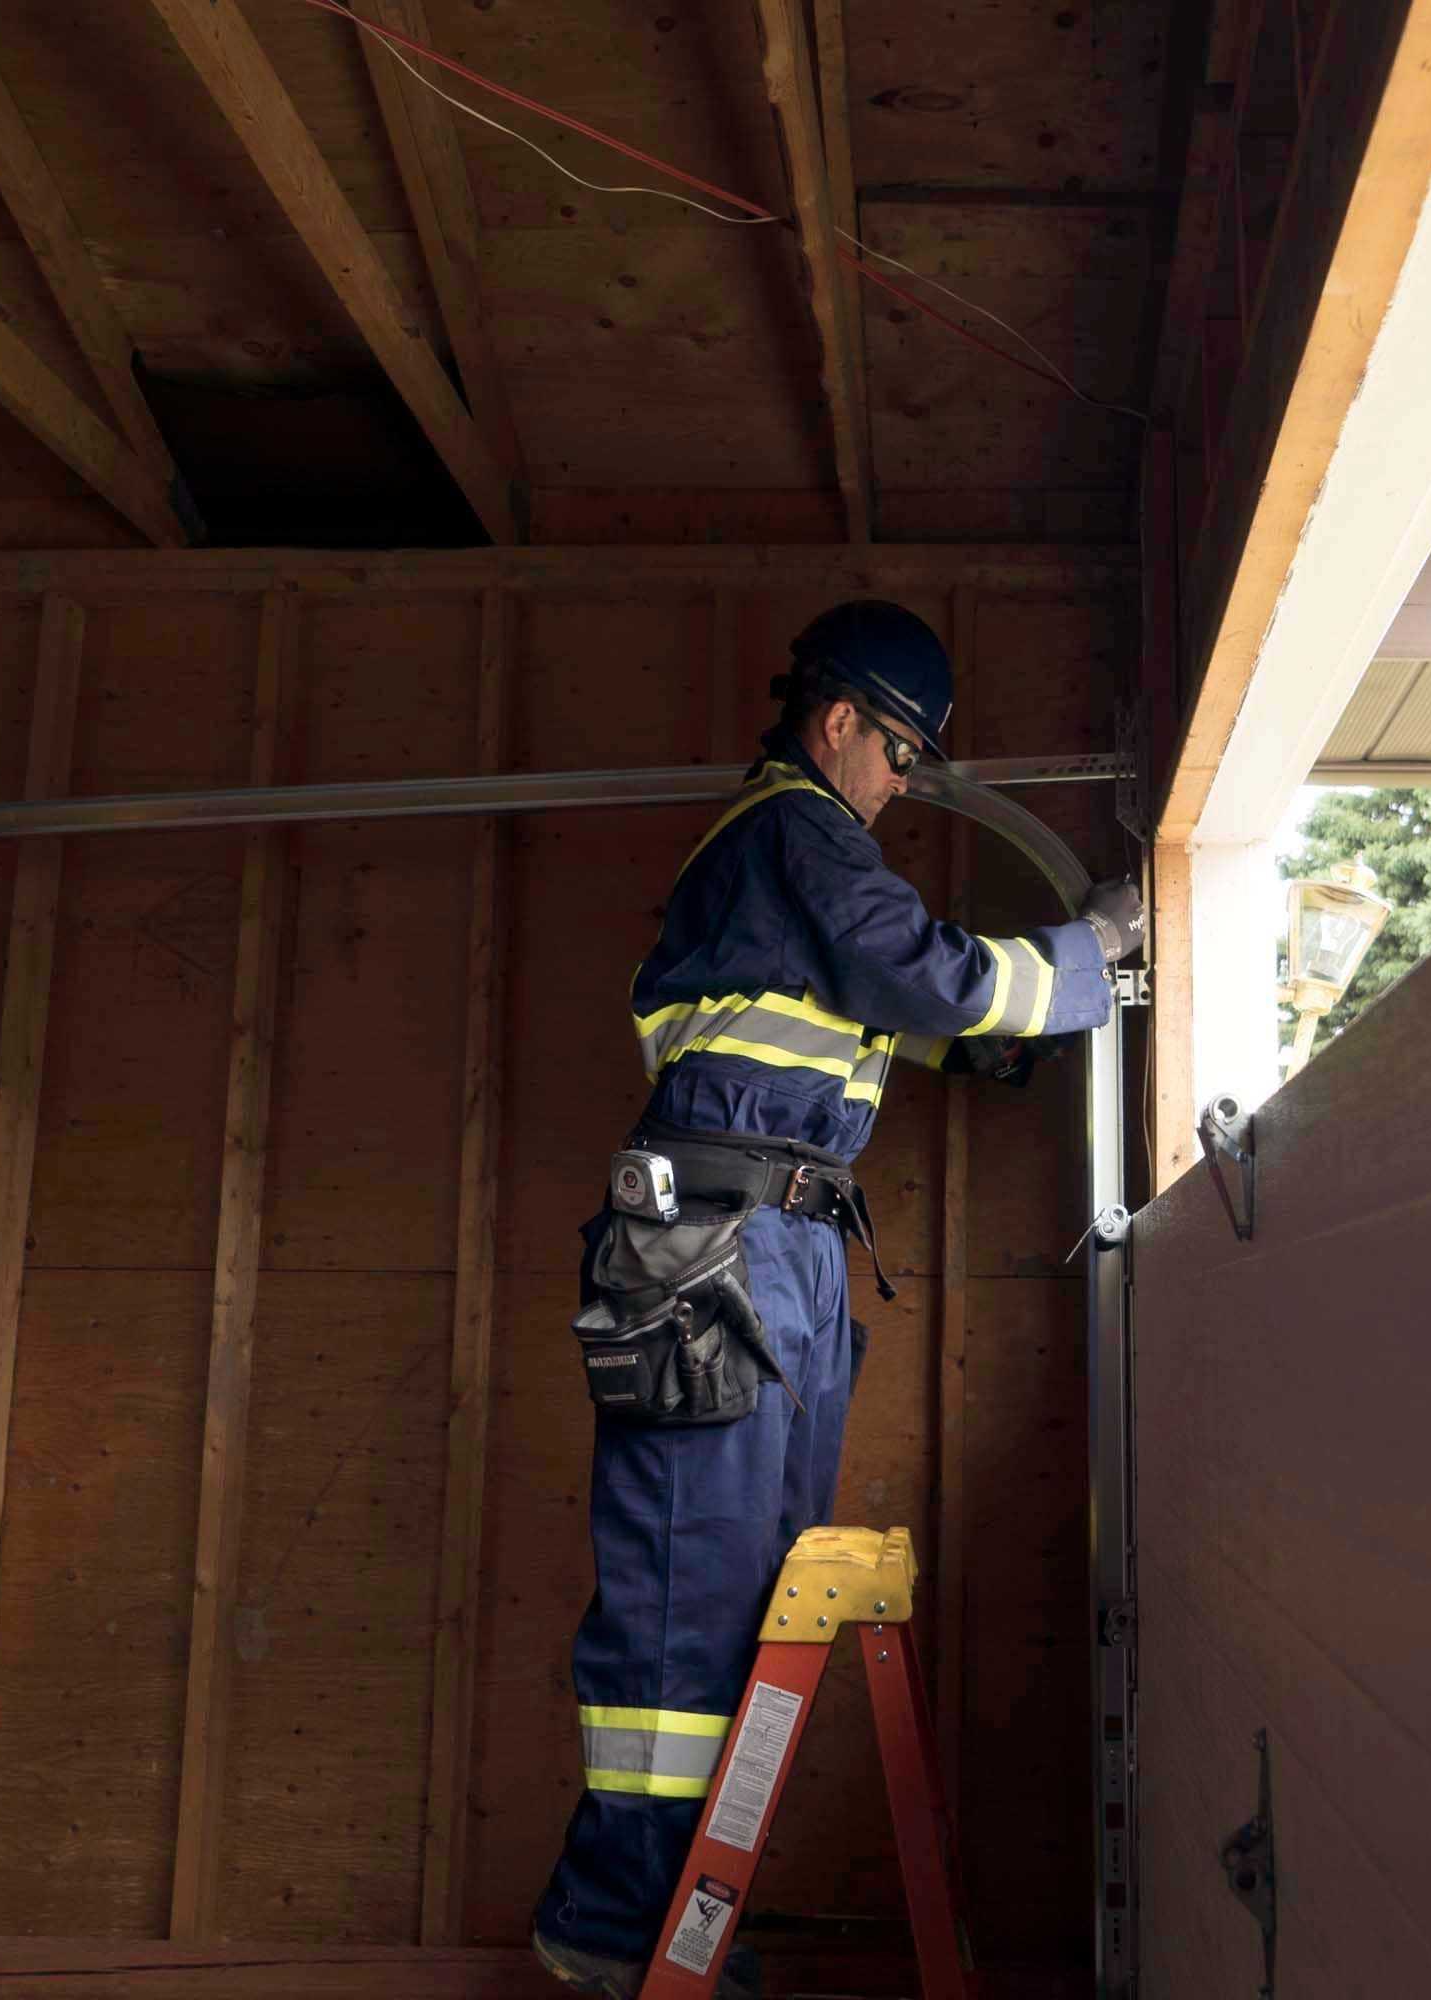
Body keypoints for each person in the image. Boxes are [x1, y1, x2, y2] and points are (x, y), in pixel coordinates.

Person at [531, 600, 1143, 1994]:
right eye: (900, 752)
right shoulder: (794, 827)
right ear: (837, 723)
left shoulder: (793, 871)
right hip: (721, 1246)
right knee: (692, 1591)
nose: (904, 782)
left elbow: (880, 1015)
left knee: (748, 1590)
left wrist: (990, 1043)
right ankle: (617, 1921)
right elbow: (916, 971)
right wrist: (1085, 958)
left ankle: (668, 1917)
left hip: (773, 1246)